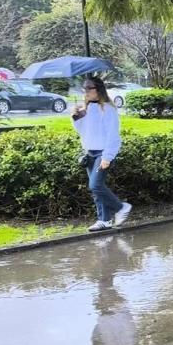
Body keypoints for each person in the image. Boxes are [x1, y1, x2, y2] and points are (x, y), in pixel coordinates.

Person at [72, 76, 132, 231]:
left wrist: (108, 156)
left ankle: (121, 207)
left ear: (98, 89)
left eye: (89, 88)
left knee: (95, 185)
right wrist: (76, 118)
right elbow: (83, 132)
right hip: (90, 153)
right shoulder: (86, 109)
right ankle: (104, 220)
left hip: (103, 153)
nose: (85, 91)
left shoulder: (107, 109)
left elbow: (113, 136)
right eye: (84, 88)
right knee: (96, 190)